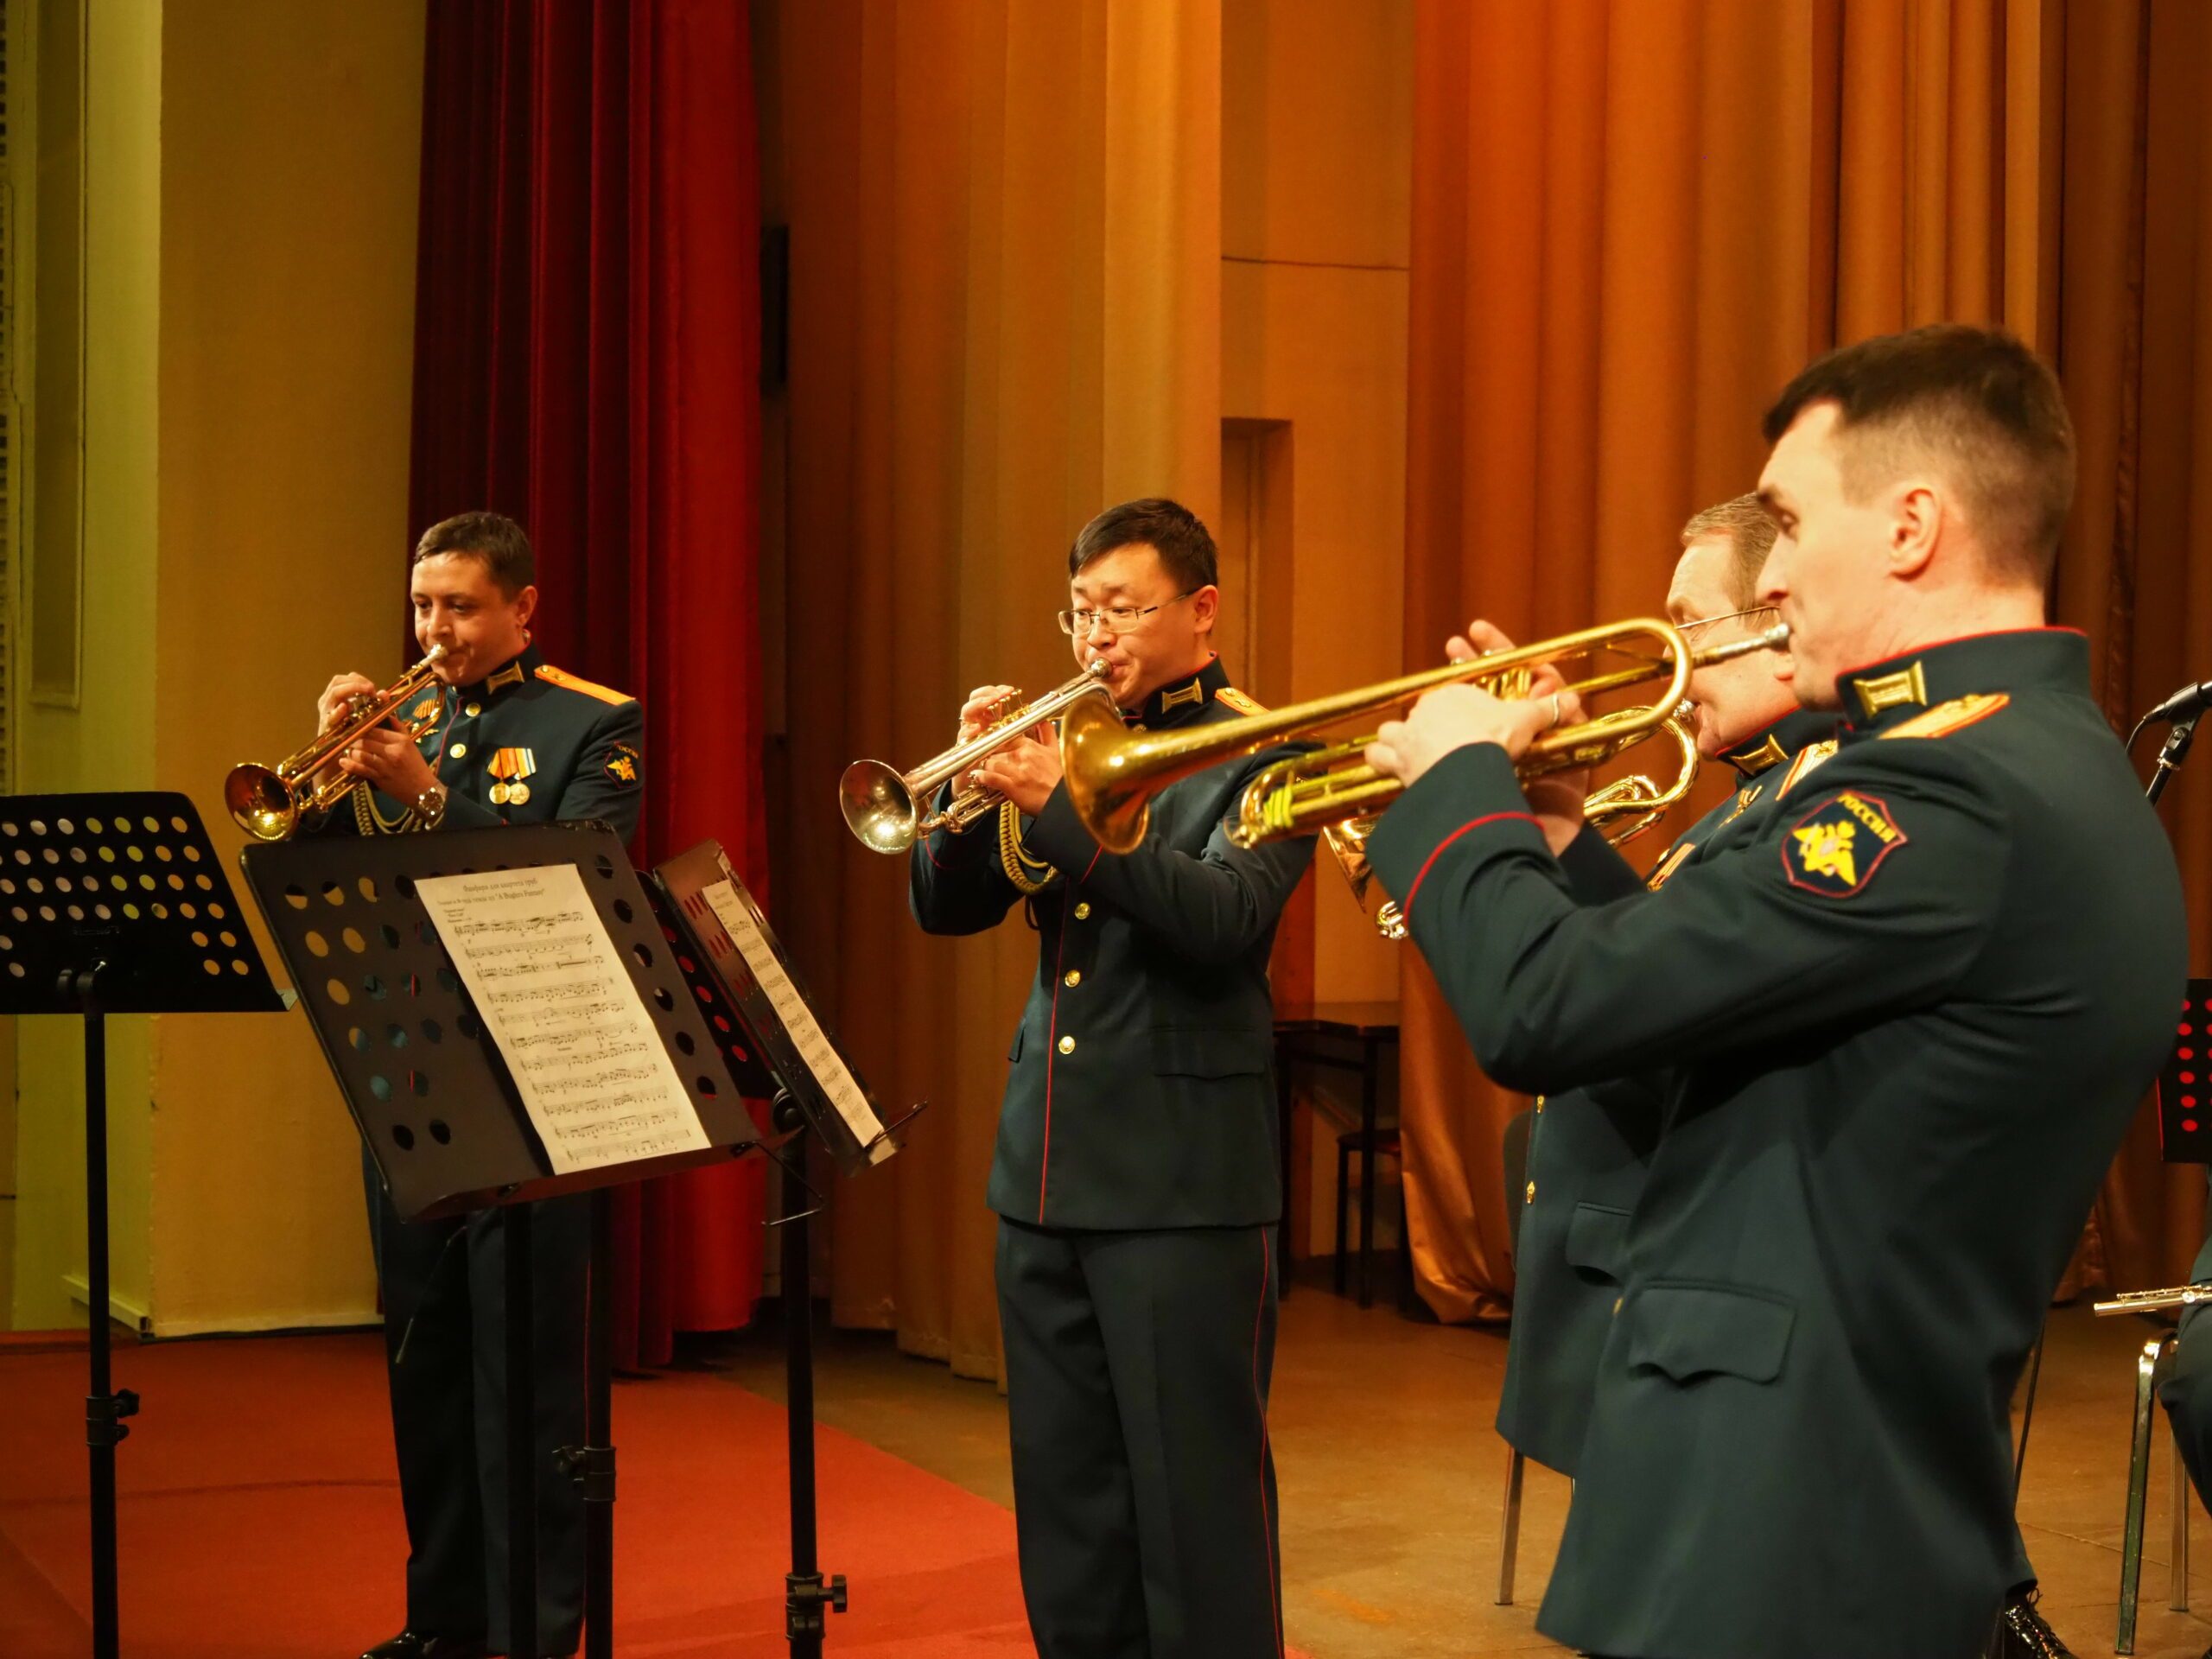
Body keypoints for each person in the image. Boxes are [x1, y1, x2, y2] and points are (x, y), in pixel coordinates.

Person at [1362, 325, 2187, 1658]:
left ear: (1914, 525)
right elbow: (1672, 1024)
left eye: (1794, 521)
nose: (1778, 566)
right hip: (1794, 1492)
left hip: (1786, 1524)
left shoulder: (1946, 792)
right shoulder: (2008, 760)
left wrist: (1456, 786)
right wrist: (1553, 841)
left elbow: (1545, 1012)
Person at [908, 498, 1316, 1659]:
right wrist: (967, 796)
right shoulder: (1070, 743)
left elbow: (1227, 919)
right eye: (1082, 613)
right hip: (1044, 1174)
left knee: (1198, 1518)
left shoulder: (1264, 747)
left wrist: (1063, 817)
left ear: (1201, 612)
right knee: (1070, 1512)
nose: (1098, 640)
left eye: (1124, 610)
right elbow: (947, 909)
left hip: (1184, 1187)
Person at [310, 511, 646, 1659]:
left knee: (530, 1380)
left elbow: (572, 882)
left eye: (458, 606)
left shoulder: (594, 724)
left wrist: (419, 794)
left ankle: (535, 1632)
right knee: (428, 1361)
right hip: (411, 1074)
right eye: (421, 606)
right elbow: (333, 879)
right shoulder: (412, 720)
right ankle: (444, 1620)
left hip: (534, 1083)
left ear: (522, 609)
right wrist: (332, 774)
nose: (435, 629)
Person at [1498, 493, 1834, 1481]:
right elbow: (1641, 951)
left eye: (1690, 627)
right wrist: (1557, 811)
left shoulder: (1818, 795)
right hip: (1628, 1260)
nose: (1672, 663)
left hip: (1683, 1283)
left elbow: (1632, 1010)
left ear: (1777, 626)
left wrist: (1463, 831)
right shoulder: (1750, 798)